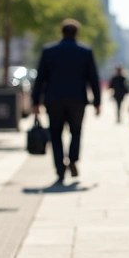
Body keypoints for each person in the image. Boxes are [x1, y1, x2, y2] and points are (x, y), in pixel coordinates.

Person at [32, 19, 101, 185]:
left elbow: (40, 78)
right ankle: (73, 159)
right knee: (76, 132)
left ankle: (60, 169)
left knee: (55, 134)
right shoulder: (85, 51)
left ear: (61, 32)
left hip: (53, 99)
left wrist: (35, 101)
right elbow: (93, 78)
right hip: (77, 99)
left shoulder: (49, 51)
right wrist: (98, 102)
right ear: (77, 33)